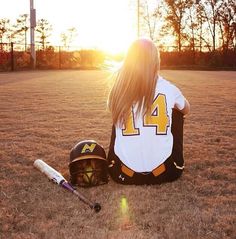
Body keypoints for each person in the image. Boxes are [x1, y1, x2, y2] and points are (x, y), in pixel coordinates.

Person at [107, 38, 190, 185]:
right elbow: (186, 109)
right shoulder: (169, 88)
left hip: (122, 174)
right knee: (177, 112)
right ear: (156, 61)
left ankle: (126, 160)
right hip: (166, 173)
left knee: (119, 111)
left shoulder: (118, 89)